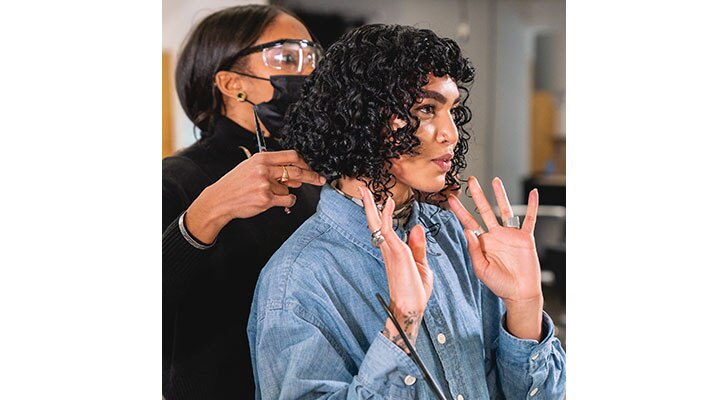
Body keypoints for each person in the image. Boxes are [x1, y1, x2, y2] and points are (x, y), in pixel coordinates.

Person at [248, 24, 566, 399]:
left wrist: (524, 308)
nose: (451, 133)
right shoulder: (298, 279)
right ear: (360, 116)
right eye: (427, 109)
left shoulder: (454, 237)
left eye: (453, 110)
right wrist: (401, 327)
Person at [162, 5, 327, 398]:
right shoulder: (178, 178)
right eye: (287, 57)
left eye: (312, 57)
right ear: (231, 82)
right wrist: (206, 214)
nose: (307, 72)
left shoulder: (313, 177)